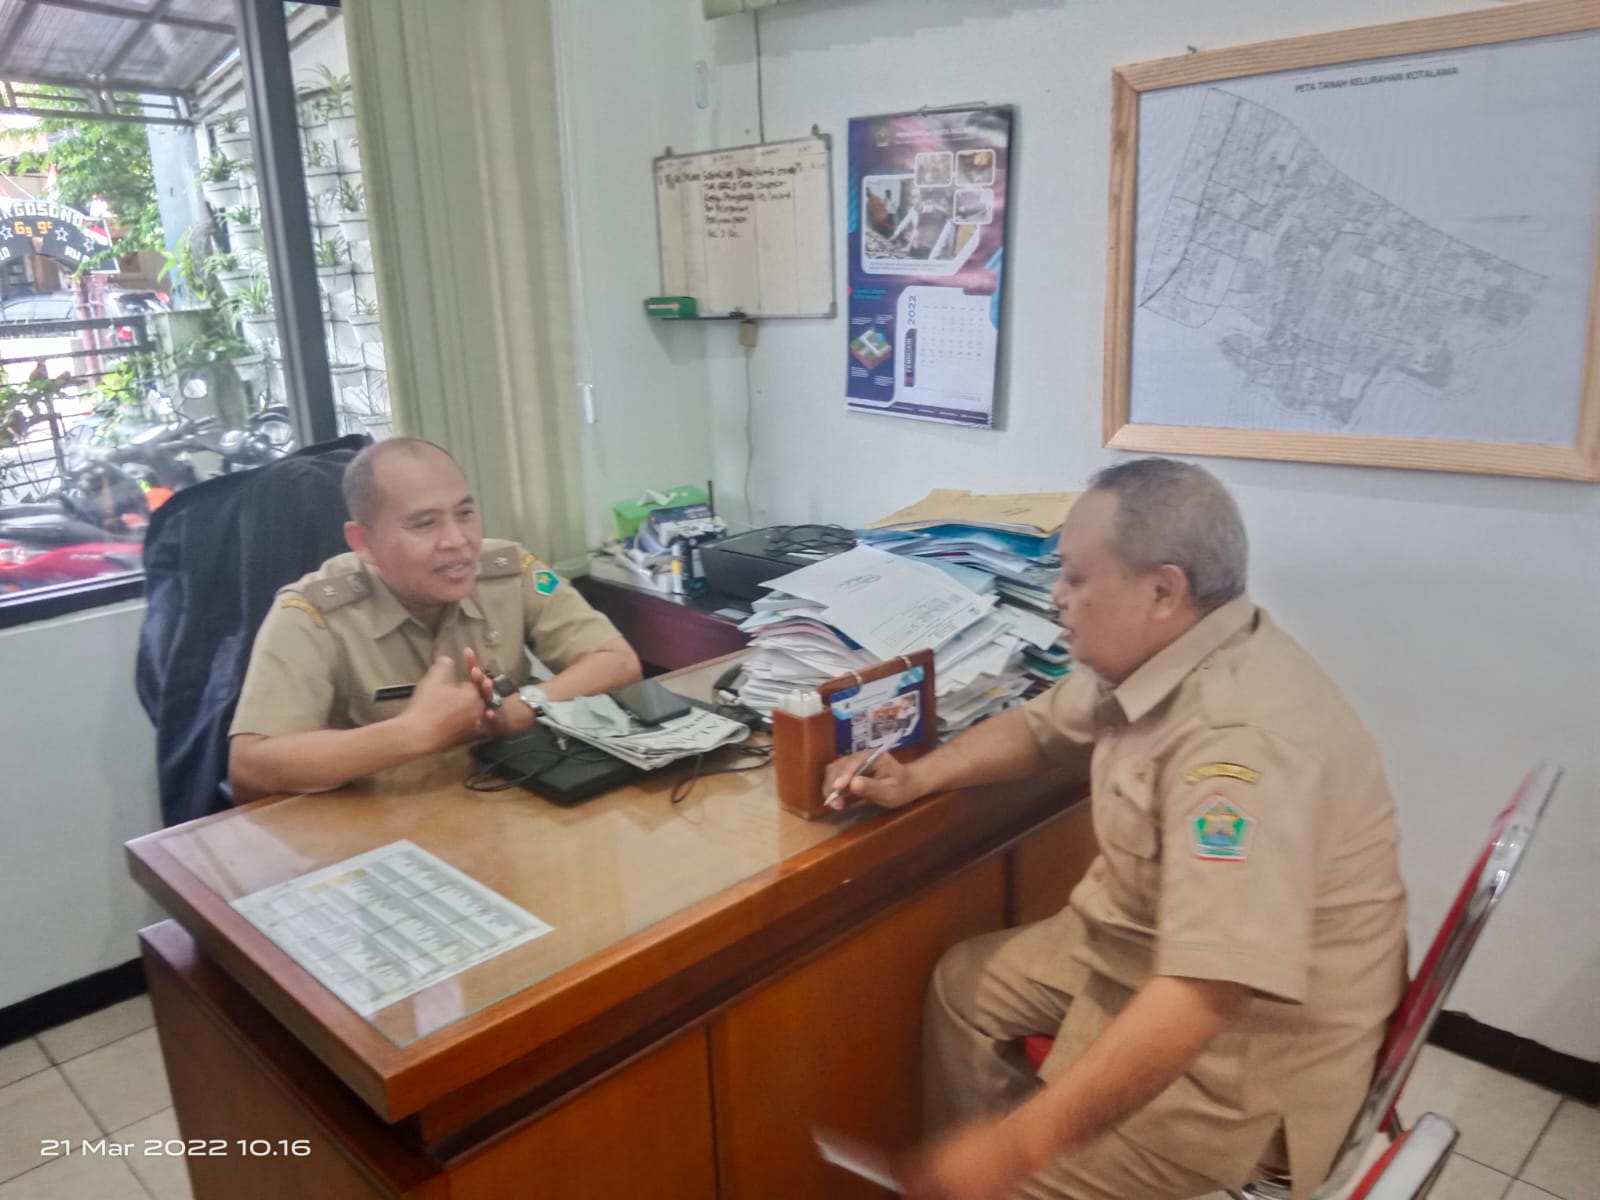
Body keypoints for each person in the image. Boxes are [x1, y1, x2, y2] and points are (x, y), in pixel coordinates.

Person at [822, 458, 1407, 1200]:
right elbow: (1044, 725)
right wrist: (919, 776)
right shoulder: (1166, 653)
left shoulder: (1237, 748)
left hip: (1248, 1051)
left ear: (1163, 590)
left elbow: (1201, 997)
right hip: (1143, 945)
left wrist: (1016, 1148)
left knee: (1015, 1173)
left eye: (1075, 578)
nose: (1056, 597)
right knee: (965, 987)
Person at [229, 438, 642, 802]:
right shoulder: (311, 614)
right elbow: (249, 768)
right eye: (425, 524)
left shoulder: (512, 569)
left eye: (465, 513)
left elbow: (618, 661)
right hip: (372, 820)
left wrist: (525, 706)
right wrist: (411, 733)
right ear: (363, 542)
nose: (458, 540)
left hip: (500, 799)